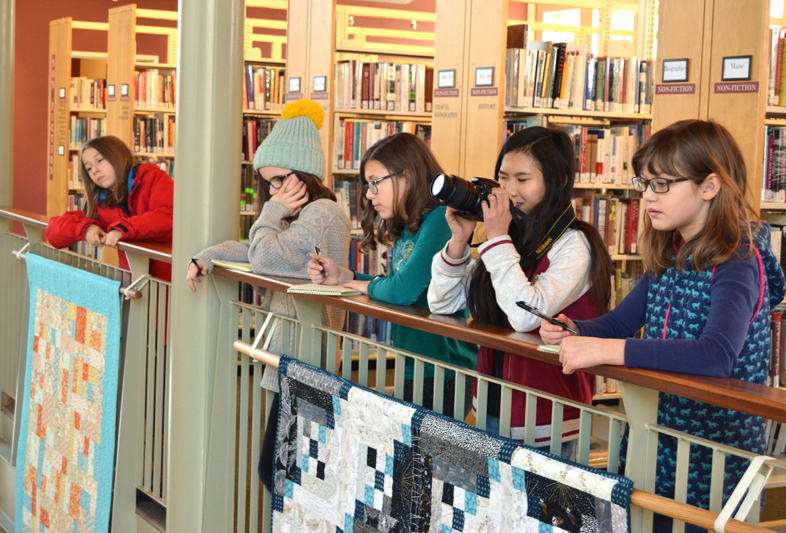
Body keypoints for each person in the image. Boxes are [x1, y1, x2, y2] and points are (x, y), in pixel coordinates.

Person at [540, 120, 786, 530]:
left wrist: (605, 351)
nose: (649, 197)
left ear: (710, 186)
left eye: (662, 185)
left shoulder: (739, 261)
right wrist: (577, 330)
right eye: (645, 184)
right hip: (659, 437)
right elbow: (622, 320)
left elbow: (716, 355)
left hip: (715, 454)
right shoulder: (672, 252)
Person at [186, 99, 351, 489]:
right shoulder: (302, 215)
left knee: (283, 473)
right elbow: (261, 250)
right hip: (297, 353)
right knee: (288, 471)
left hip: (310, 357)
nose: (274, 191)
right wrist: (211, 255)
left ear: (305, 174)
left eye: (280, 181)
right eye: (268, 183)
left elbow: (266, 256)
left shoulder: (322, 214)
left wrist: (270, 211)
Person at [426, 126, 612, 460]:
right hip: (489, 409)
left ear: (556, 181)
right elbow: (442, 303)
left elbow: (526, 314)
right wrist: (458, 242)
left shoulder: (575, 244)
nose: (509, 191)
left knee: (542, 512)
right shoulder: (512, 234)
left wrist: (497, 239)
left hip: (548, 421)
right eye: (503, 177)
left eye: (523, 179)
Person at [307, 132, 478, 417]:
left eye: (375, 183)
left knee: (428, 459)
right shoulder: (410, 225)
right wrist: (344, 276)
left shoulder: (439, 221)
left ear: (407, 175)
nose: (369, 194)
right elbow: (393, 283)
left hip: (443, 367)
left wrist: (365, 284)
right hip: (414, 361)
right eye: (366, 185)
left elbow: (402, 290)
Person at [45, 135, 173, 279]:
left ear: (117, 155)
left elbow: (168, 218)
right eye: (89, 168)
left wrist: (122, 230)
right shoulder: (101, 205)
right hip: (136, 287)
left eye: (100, 160)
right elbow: (53, 233)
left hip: (173, 281)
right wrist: (85, 229)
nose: (95, 170)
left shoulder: (153, 177)